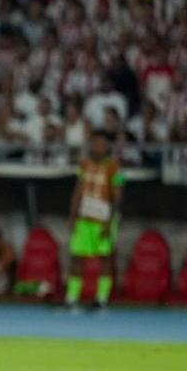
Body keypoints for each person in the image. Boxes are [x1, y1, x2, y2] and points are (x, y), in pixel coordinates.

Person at [65, 130, 124, 312]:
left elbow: (118, 196)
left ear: (107, 147)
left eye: (102, 144)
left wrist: (110, 221)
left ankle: (101, 299)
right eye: (95, 143)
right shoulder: (84, 164)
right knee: (77, 257)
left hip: (103, 218)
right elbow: (78, 190)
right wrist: (72, 215)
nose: (98, 147)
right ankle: (72, 298)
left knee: (105, 259)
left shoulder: (115, 167)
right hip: (84, 218)